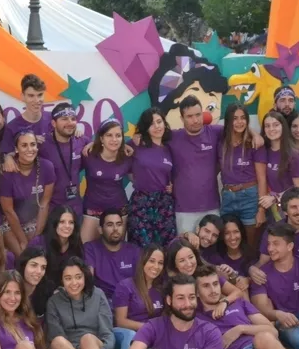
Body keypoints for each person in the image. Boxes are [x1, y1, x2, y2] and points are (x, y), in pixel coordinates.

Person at [112, 245, 165, 349]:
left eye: (160, 263)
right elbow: (120, 321)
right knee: (130, 334)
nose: (156, 266)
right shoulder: (126, 286)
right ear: (143, 262)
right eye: (152, 261)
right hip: (124, 334)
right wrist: (148, 328)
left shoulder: (161, 289)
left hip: (149, 337)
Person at [168, 95, 226, 235]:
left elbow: (238, 129)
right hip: (183, 209)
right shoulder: (172, 137)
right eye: (190, 116)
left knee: (211, 247)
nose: (195, 120)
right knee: (186, 246)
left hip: (211, 206)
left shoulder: (215, 132)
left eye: (198, 114)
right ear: (182, 118)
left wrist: (254, 135)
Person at [128, 107, 176, 247]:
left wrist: (173, 186)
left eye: (159, 122)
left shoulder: (169, 148)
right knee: (142, 247)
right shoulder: (136, 144)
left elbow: (172, 174)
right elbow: (114, 151)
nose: (157, 126)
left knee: (166, 246)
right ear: (146, 128)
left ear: (164, 123)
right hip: (141, 203)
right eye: (151, 124)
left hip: (164, 203)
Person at [0, 130, 55, 254]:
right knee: (24, 255)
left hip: (35, 221)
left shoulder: (47, 167)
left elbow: (44, 203)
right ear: (16, 149)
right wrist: (23, 240)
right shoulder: (8, 172)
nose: (30, 149)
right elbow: (8, 210)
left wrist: (37, 237)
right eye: (24, 145)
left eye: (33, 144)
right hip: (11, 223)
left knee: (39, 252)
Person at [81, 119, 132, 242]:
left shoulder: (127, 157)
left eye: (118, 135)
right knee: (85, 248)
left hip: (119, 211)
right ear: (101, 138)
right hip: (93, 210)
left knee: (116, 248)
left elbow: (138, 179)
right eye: (109, 135)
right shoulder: (89, 155)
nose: (114, 139)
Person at [39, 102, 89, 220]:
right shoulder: (42, 144)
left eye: (73, 119)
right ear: (53, 123)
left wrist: (91, 144)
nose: (70, 122)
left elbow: (104, 145)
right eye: (64, 119)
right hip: (52, 211)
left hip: (76, 209)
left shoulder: (82, 140)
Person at [256, 111, 299, 224]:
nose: (271, 129)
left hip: (288, 208)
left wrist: (275, 197)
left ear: (283, 127)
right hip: (268, 207)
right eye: (267, 126)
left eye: (276, 125)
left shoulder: (293, 154)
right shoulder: (263, 151)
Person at [83, 210, 141, 302]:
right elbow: (88, 279)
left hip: (129, 300)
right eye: (110, 225)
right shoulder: (91, 248)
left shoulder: (134, 250)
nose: (115, 229)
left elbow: (141, 282)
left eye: (119, 224)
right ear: (100, 230)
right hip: (102, 301)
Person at [167, 239, 245, 304]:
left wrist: (225, 302)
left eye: (191, 257)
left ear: (196, 256)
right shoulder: (173, 284)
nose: (189, 264)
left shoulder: (206, 273)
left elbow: (237, 292)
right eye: (182, 260)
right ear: (174, 264)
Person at [30, 205, 84, 293]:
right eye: (62, 222)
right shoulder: (39, 242)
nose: (67, 226)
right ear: (54, 223)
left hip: (66, 291)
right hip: (39, 290)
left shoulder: (76, 244)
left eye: (71, 222)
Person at [1, 74, 52, 154]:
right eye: (31, 96)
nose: (36, 100)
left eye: (40, 95)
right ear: (22, 96)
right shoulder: (12, 128)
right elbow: (7, 157)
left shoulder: (53, 119)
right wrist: (27, 141)